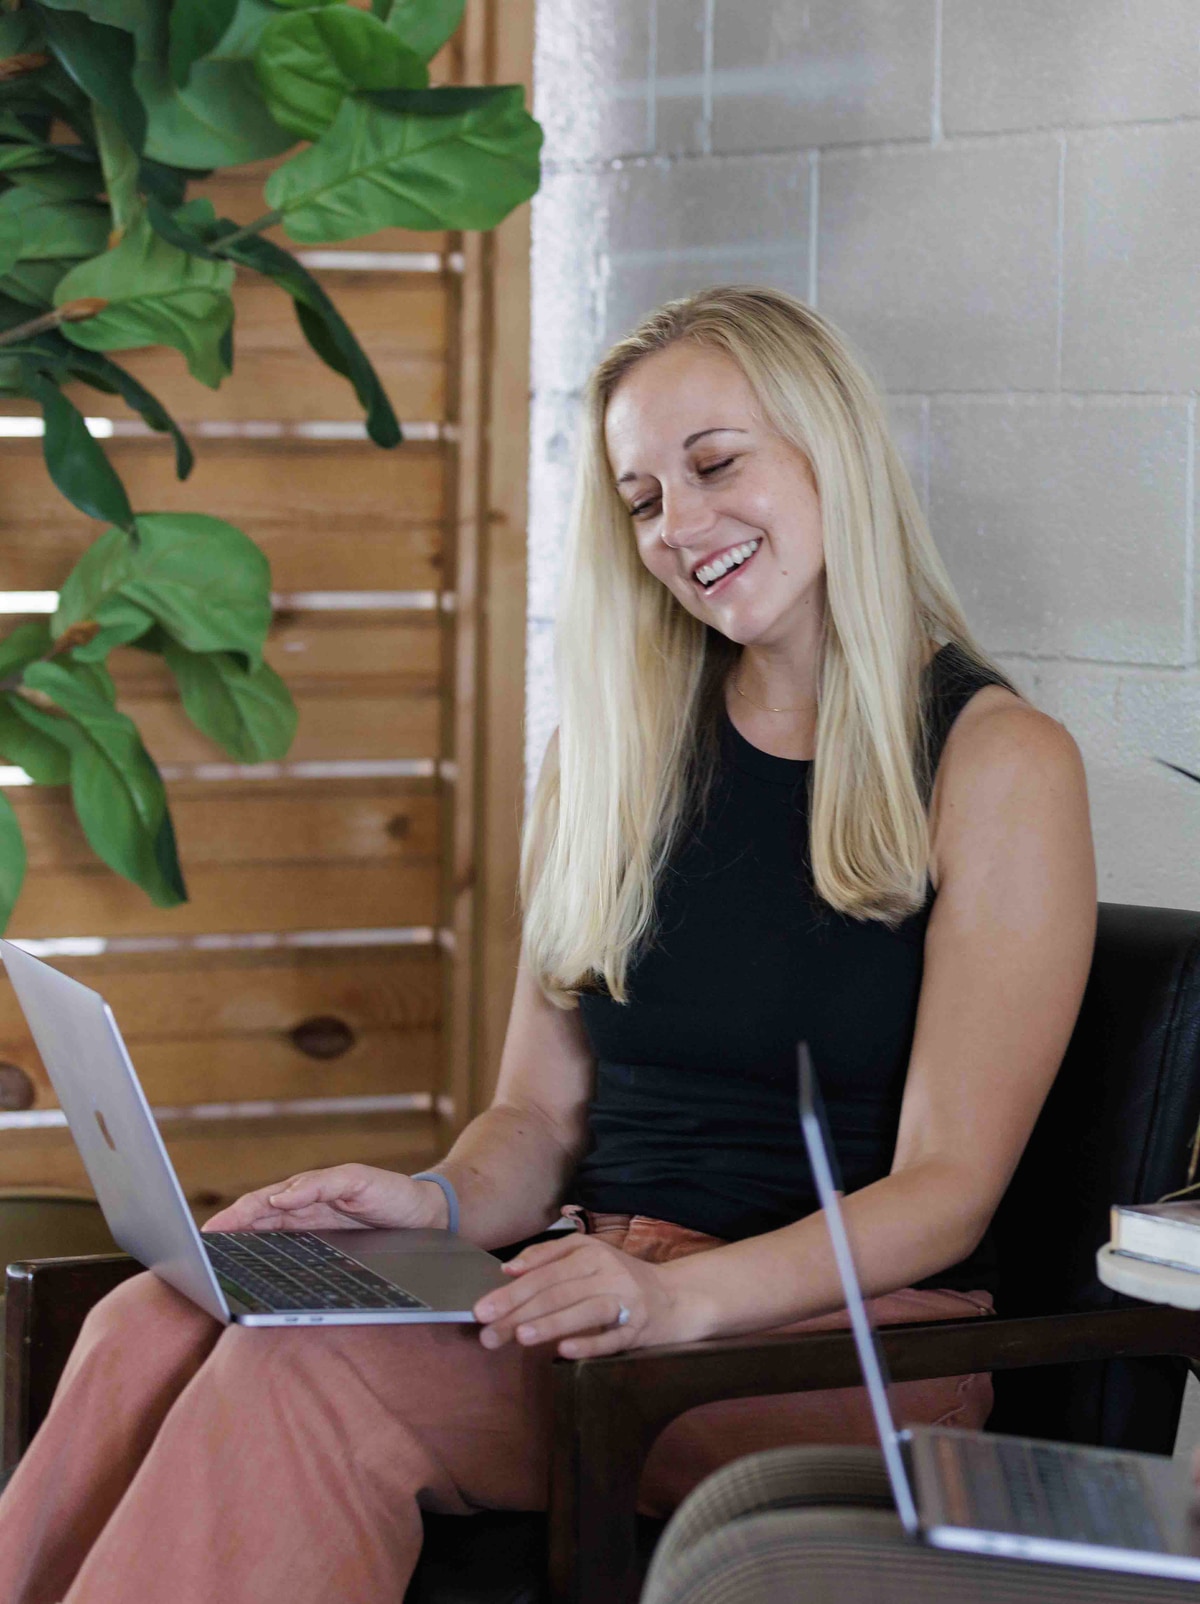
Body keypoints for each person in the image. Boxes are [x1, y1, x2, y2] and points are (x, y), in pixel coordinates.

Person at [0, 287, 1096, 1604]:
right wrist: (436, 1205)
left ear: (834, 449)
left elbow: (948, 1189)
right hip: (584, 1282)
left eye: (715, 465)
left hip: (833, 1348)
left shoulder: (997, 761)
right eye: (642, 499)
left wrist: (679, 1299)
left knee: (308, 1371)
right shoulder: (610, 756)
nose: (679, 527)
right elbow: (534, 1116)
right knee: (151, 1317)